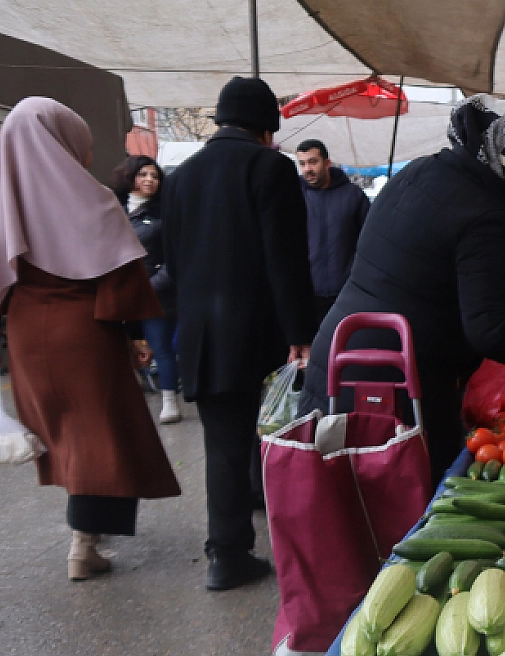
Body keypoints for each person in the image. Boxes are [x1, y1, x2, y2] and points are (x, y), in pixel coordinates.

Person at [295, 94, 505, 479]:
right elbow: (492, 330)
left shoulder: (421, 171)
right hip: (397, 384)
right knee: (404, 499)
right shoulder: (485, 213)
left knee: (342, 494)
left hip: (342, 356)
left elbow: (433, 260)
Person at [0, 98, 181, 581]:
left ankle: (85, 539)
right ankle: (84, 544)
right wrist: (135, 335)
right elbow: (121, 284)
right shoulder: (89, 199)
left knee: (66, 433)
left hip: (27, 334)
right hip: (86, 331)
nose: (89, 155)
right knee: (99, 434)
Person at [162, 76, 319, 591]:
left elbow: (175, 262)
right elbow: (286, 260)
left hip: (201, 333)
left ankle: (241, 517)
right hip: (253, 329)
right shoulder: (270, 167)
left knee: (224, 439)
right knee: (246, 435)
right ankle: (227, 555)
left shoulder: (182, 176)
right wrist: (300, 332)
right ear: (266, 127)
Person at [113, 154, 181, 424]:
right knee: (118, 346)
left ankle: (169, 400)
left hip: (156, 294)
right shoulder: (114, 209)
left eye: (154, 175)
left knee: (161, 347)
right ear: (129, 177)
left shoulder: (165, 212)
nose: (149, 180)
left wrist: (151, 287)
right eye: (143, 174)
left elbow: (174, 259)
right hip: (119, 292)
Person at [295, 139, 370, 326]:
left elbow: (369, 242)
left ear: (327, 162)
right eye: (302, 164)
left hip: (347, 293)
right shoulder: (293, 198)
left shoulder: (354, 196)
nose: (307, 169)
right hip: (307, 294)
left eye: (313, 162)